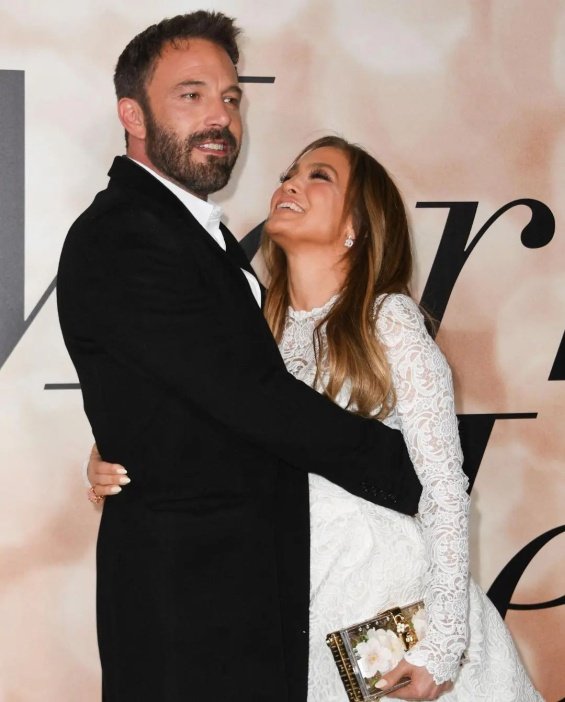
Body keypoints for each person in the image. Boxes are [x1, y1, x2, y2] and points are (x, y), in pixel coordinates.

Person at [90, 136, 543, 701]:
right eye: (289, 173)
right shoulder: (252, 332)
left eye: (318, 176)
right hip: (294, 620)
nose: (291, 183)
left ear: (358, 223)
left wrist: (443, 644)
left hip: (396, 620)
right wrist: (111, 448)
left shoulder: (390, 321)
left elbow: (444, 487)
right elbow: (187, 418)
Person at [56, 12, 422, 702]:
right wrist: (415, 473)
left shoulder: (197, 237)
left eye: (229, 97)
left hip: (247, 599)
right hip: (189, 615)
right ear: (130, 113)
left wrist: (120, 436)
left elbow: (185, 395)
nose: (219, 116)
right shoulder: (126, 235)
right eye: (190, 95)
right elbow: (248, 394)